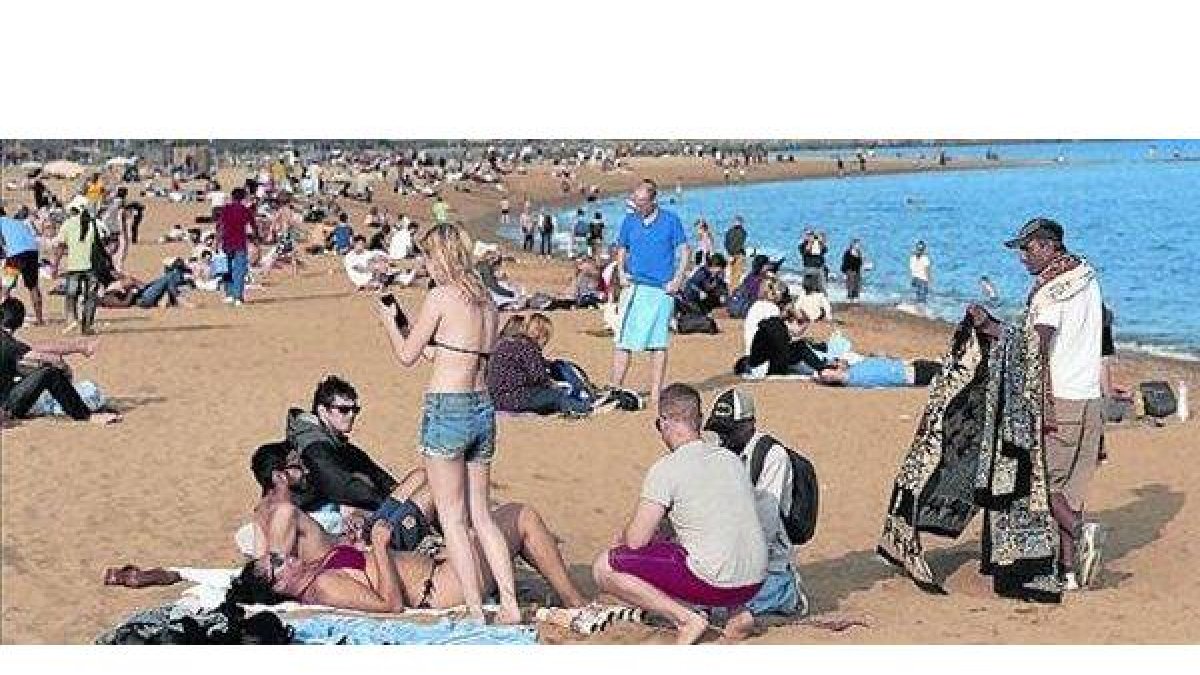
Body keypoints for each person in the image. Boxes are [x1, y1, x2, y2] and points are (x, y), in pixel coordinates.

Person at [235, 442, 591, 613]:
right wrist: (376, 548)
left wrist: (361, 542)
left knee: (481, 518)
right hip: (440, 587)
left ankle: (559, 591)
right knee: (521, 516)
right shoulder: (323, 587)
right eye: (277, 566)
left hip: (440, 568)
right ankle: (575, 602)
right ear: (279, 586)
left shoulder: (315, 572)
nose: (283, 559)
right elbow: (390, 606)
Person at [373, 221, 520, 624]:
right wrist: (406, 324)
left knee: (453, 518)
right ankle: (509, 604)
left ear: (439, 256)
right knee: (482, 516)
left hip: (448, 410)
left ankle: (475, 610)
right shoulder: (486, 302)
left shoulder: (440, 296)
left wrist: (389, 322)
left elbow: (407, 356)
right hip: (481, 409)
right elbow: (446, 354)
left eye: (426, 256)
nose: (425, 264)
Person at [591, 383, 766, 644]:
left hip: (714, 580)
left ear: (664, 422)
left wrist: (624, 538)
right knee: (690, 542)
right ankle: (737, 613)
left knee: (605, 566)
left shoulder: (666, 469)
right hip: (754, 580)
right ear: (700, 420)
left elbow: (636, 540)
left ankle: (685, 619)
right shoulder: (730, 459)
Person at [1002, 216, 1107, 591]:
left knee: (1043, 483)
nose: (1023, 259)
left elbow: (1036, 345)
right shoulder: (1087, 276)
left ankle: (1081, 532)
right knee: (1071, 489)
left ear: (1048, 246)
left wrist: (995, 333)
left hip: (1059, 402)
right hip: (1090, 397)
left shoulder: (1049, 293)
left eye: (1027, 249)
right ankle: (1068, 571)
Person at [704, 388, 809, 618]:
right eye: (720, 431)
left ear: (750, 424)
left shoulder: (772, 456)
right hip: (728, 560)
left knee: (719, 611)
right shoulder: (723, 454)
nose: (724, 438)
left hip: (768, 566)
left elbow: (766, 525)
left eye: (730, 431)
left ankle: (788, 594)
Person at [610, 180, 689, 406]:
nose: (637, 206)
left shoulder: (670, 220)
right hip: (635, 286)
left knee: (658, 343)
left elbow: (684, 250)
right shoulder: (629, 221)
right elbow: (622, 248)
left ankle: (656, 392)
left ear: (653, 201)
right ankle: (615, 386)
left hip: (662, 289)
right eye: (635, 201)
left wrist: (678, 279)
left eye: (642, 202)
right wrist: (621, 272)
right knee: (624, 340)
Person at [1, 297, 121, 425]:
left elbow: (33, 350)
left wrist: (78, 348)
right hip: (8, 406)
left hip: (8, 398)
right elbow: (41, 356)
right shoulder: (8, 344)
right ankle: (84, 415)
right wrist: (60, 363)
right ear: (19, 322)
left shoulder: (9, 343)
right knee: (51, 373)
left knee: (27, 370)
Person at [487, 313, 592, 417]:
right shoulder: (528, 347)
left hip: (496, 398)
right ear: (541, 336)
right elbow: (538, 376)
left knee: (551, 387)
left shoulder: (506, 344)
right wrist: (554, 385)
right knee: (557, 396)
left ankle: (582, 394)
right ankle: (584, 406)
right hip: (515, 398)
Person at [50, 196, 101, 335]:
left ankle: (72, 320)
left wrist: (55, 266)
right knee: (90, 297)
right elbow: (104, 242)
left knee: (71, 295)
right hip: (92, 267)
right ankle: (87, 327)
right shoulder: (94, 223)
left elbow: (60, 246)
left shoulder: (67, 224)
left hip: (74, 267)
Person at [0, 207, 45, 326]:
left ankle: (3, 316)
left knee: (5, 286)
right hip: (32, 251)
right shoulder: (17, 222)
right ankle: (40, 320)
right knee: (33, 286)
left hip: (16, 253)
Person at [217, 187, 253, 306]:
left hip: (227, 242)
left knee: (226, 268)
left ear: (232, 197)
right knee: (239, 270)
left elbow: (220, 226)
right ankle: (238, 296)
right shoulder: (245, 210)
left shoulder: (225, 209)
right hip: (240, 243)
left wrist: (217, 242)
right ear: (243, 198)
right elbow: (253, 226)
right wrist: (257, 240)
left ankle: (229, 294)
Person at [724, 215, 747, 288]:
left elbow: (726, 243)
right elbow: (740, 244)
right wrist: (734, 253)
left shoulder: (729, 231)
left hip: (730, 254)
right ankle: (733, 291)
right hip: (738, 254)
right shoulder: (742, 232)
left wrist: (729, 254)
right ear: (741, 223)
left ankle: (731, 289)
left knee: (731, 274)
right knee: (737, 275)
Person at [909, 240, 932, 305]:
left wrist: (912, 278)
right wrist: (929, 280)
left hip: (915, 279)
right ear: (924, 249)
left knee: (917, 294)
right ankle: (922, 310)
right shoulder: (925, 258)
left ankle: (918, 307)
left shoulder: (912, 257)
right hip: (923, 279)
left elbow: (911, 269)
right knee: (923, 296)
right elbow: (927, 270)